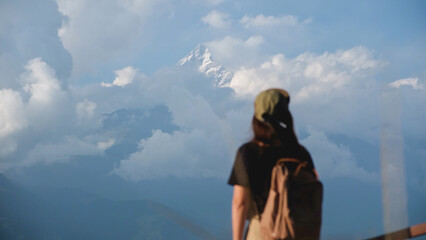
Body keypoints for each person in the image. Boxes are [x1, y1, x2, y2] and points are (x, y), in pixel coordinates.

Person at [228, 88, 318, 240]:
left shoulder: (249, 152)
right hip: (298, 232)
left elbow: (240, 204)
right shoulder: (301, 153)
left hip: (263, 230)